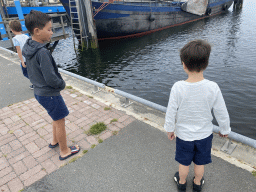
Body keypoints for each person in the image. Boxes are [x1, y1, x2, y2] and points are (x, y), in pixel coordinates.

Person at [164, 40, 231, 192]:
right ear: (206, 63)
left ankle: (181, 183)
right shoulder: (213, 87)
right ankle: (197, 183)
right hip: (204, 136)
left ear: (184, 64)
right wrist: (224, 129)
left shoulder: (178, 87)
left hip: (184, 136)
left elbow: (171, 112)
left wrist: (170, 129)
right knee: (199, 163)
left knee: (184, 163)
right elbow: (221, 111)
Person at [22, 10, 80, 160]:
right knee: (60, 121)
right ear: (37, 31)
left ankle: (54, 141)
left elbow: (26, 70)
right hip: (50, 94)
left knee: (55, 117)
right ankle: (64, 150)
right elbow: (51, 78)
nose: (52, 32)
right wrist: (62, 84)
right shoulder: (42, 52)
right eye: (49, 29)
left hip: (38, 92)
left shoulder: (27, 47)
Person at [9, 20, 33, 89]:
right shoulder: (26, 36)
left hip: (24, 59)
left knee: (25, 73)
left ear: (12, 29)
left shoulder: (15, 39)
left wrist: (22, 61)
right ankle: (36, 83)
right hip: (30, 57)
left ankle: (36, 83)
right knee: (32, 72)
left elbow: (18, 50)